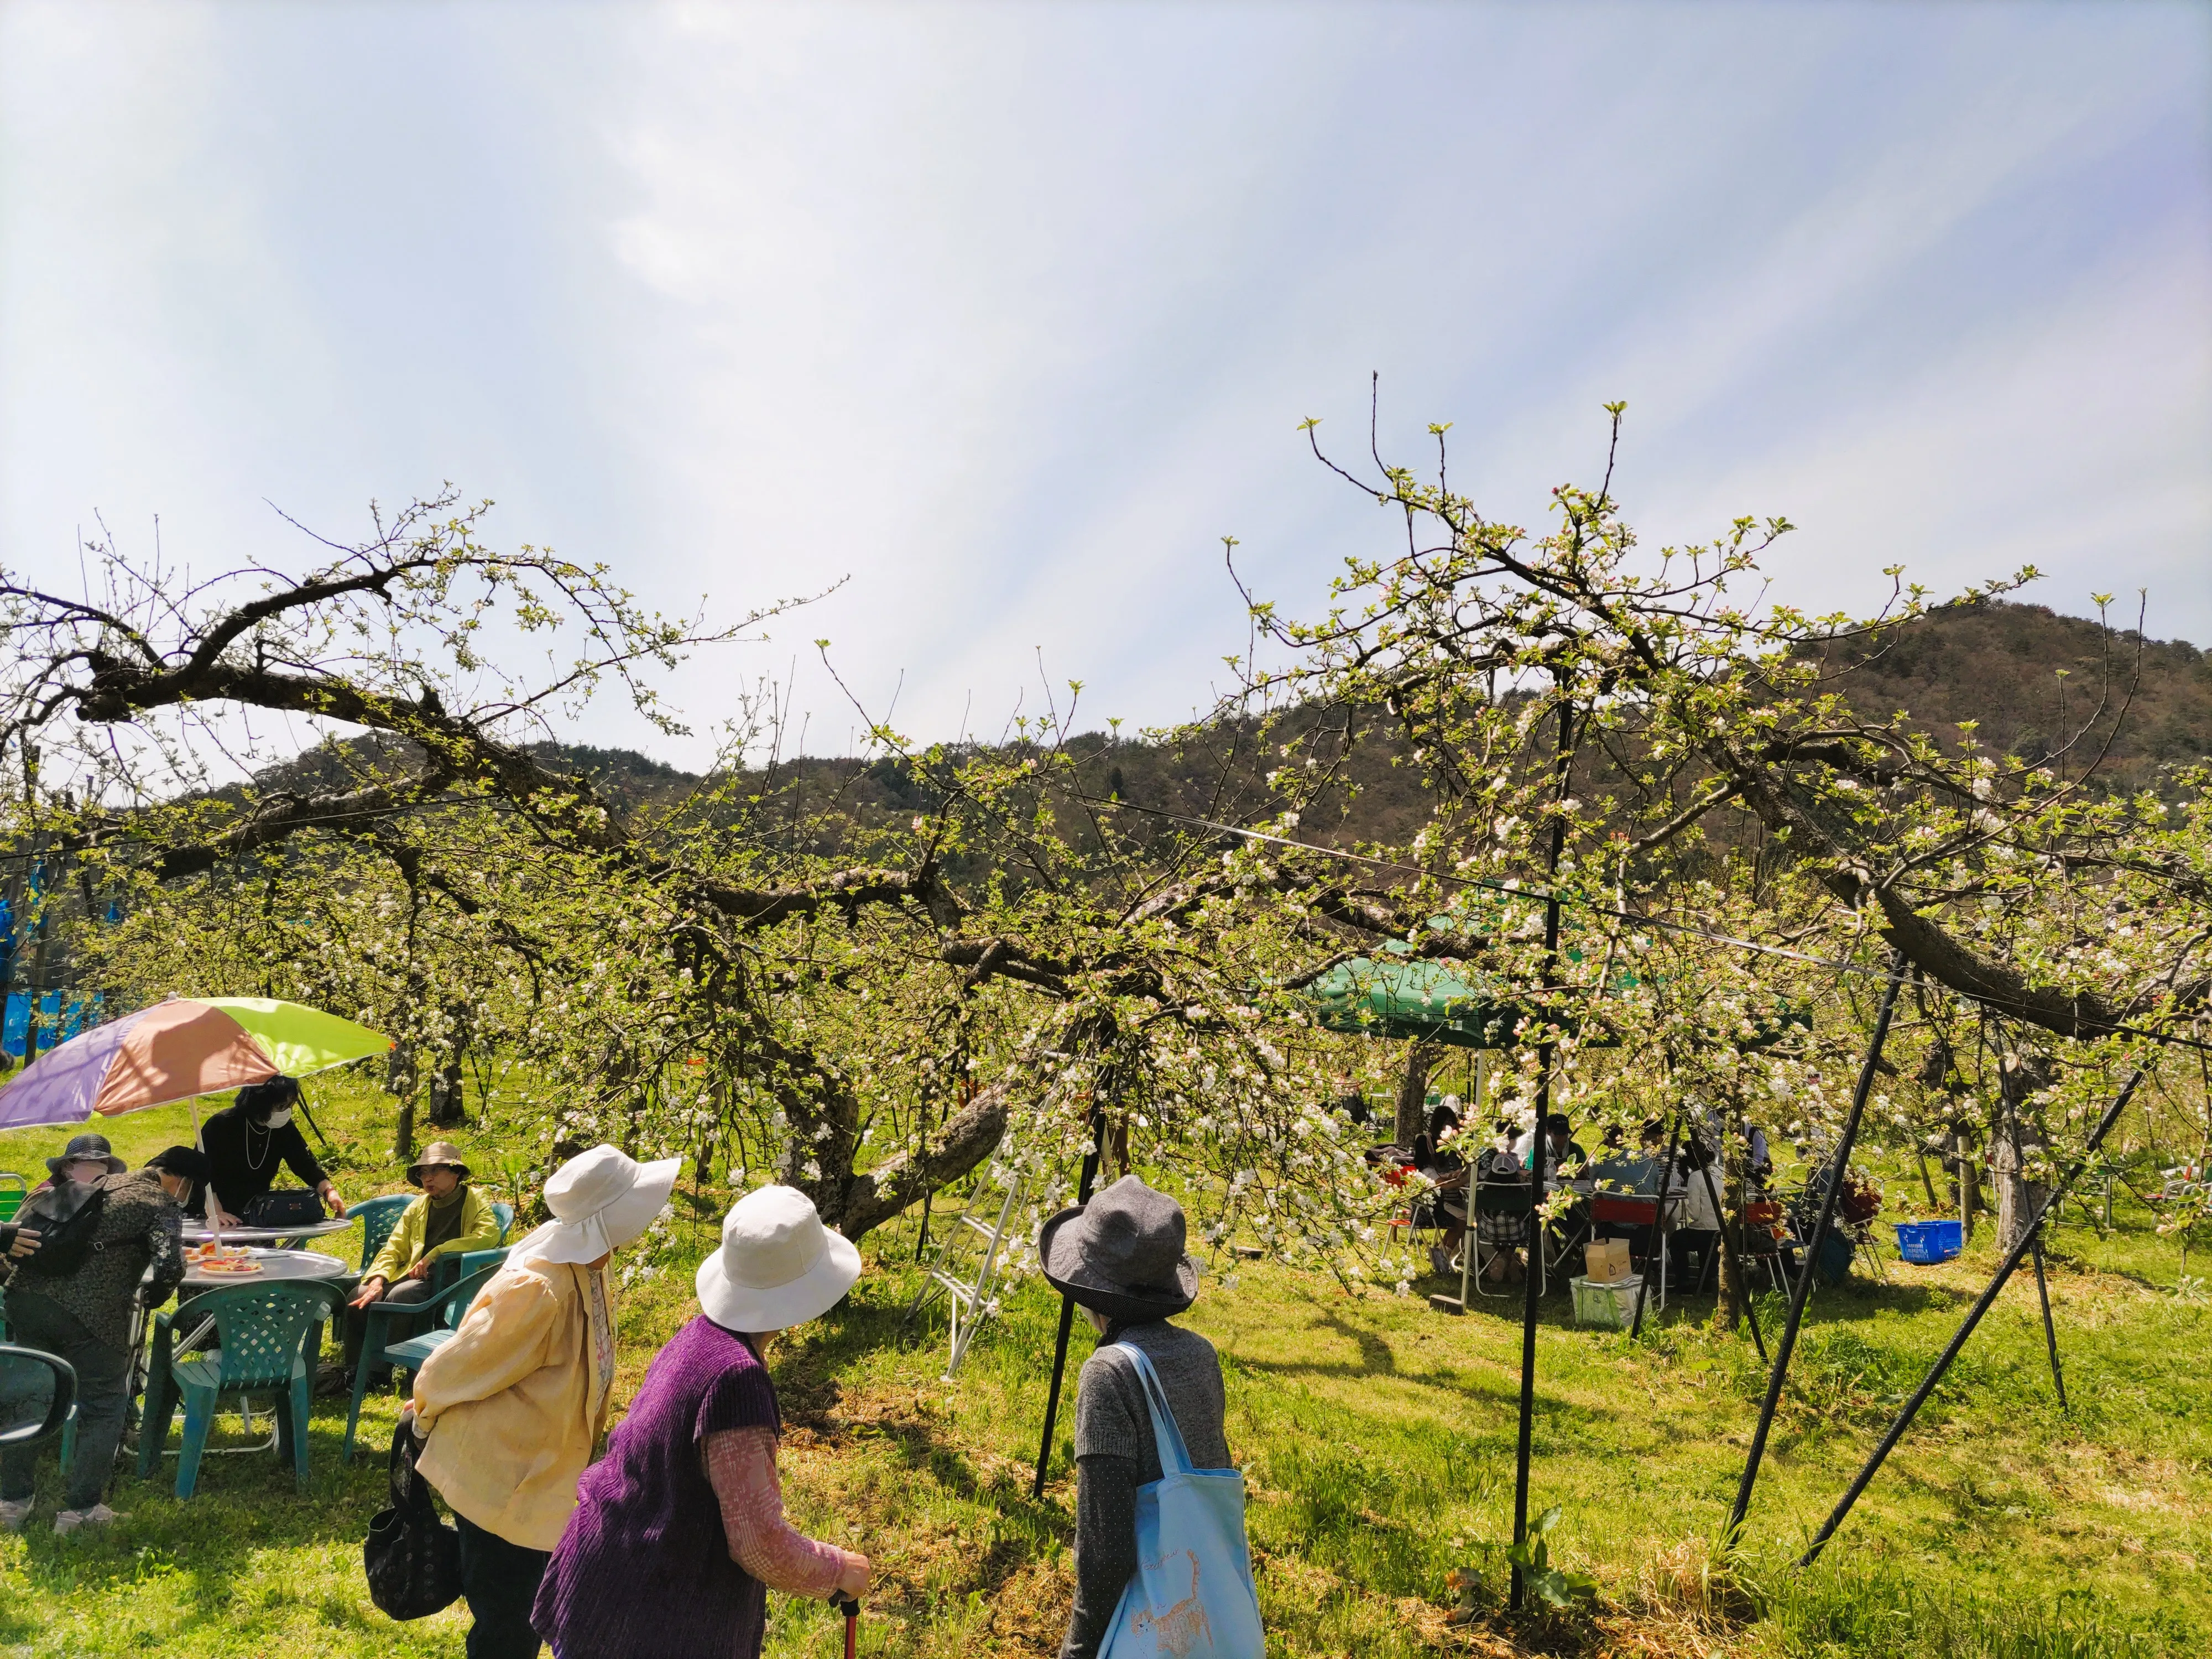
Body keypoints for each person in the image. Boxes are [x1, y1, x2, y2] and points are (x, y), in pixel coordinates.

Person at [533, 1184, 870, 1658]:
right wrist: (839, 1571)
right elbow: (758, 1543)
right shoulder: (737, 1381)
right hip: (651, 1613)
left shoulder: (699, 1335)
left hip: (608, 1569)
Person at [408, 1144, 679, 1659]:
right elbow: (462, 1361)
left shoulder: (590, 1265)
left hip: (542, 1474)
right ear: (610, 1216)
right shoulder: (540, 1288)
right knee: (507, 1626)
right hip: (503, 1480)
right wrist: (423, 1412)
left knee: (526, 1616)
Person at [1042, 1176, 1232, 1659]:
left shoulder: (1108, 1373)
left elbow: (1105, 1551)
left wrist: (1079, 1649)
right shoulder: (1201, 1355)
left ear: (1089, 1290)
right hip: (1209, 1605)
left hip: (1149, 1626)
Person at [0, 1136, 192, 1535]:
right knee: (103, 1405)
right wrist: (157, 1295)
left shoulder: (72, 1190)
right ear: (175, 1179)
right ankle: (81, 1511)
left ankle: (12, 1502)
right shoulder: (158, 1202)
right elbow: (171, 1265)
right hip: (93, 1315)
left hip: (28, 1301)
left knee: (32, 1396)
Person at [342, 1141, 503, 1379]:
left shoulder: (476, 1199)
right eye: (423, 1172)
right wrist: (378, 1279)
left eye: (435, 1170)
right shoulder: (418, 1206)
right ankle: (354, 1368)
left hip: (454, 1277)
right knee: (358, 1294)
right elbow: (394, 1247)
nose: (428, 1178)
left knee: (402, 1296)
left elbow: (488, 1236)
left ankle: (377, 1371)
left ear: (456, 1172)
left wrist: (437, 1253)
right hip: (416, 1273)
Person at [199, 1076, 346, 1225]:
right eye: (282, 1106)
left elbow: (304, 1164)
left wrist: (329, 1191)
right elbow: (202, 1173)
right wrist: (215, 1212)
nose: (286, 1112)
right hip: (216, 1213)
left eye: (290, 1106)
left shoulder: (283, 1128)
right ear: (261, 1103)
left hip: (259, 1213)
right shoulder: (222, 1125)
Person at [1470, 1118, 1530, 1285]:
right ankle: (1509, 1260)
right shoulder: (1521, 1191)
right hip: (1517, 1232)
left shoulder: (1485, 1183)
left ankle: (1503, 1261)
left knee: (1479, 1219)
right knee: (1524, 1222)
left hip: (1489, 1231)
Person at [1411, 1102, 1468, 1275]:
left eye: (1452, 1122)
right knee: (1467, 1219)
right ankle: (1443, 1255)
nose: (1449, 1127)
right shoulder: (1426, 1168)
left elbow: (1452, 1178)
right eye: (1446, 1123)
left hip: (1453, 1202)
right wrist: (1458, 1180)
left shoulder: (1453, 1150)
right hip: (1432, 1208)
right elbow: (1441, 1185)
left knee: (1477, 1215)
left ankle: (1456, 1255)